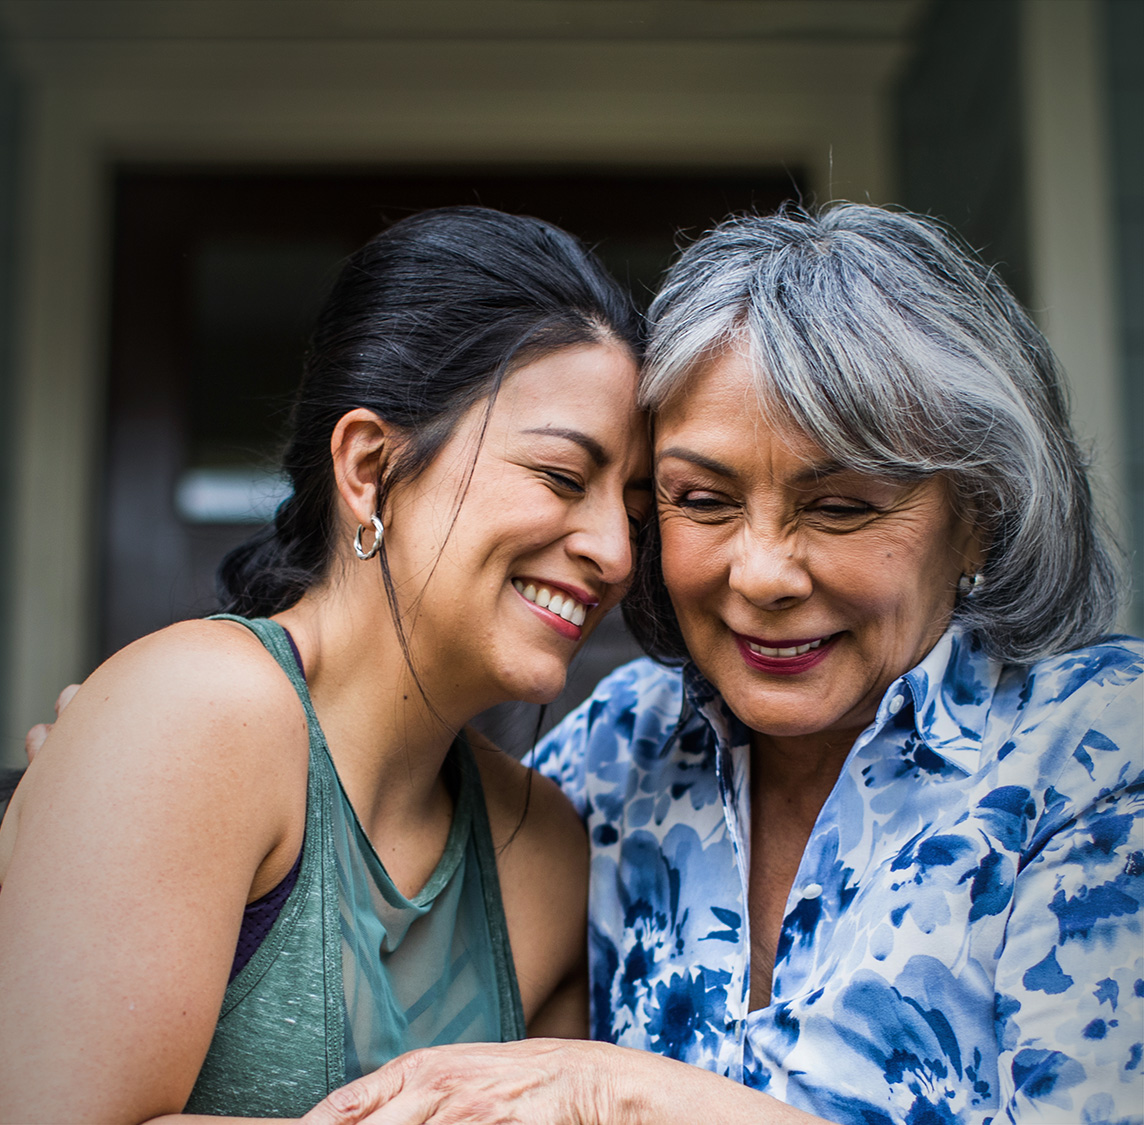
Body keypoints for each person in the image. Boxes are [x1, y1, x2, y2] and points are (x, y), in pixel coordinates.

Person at [298, 204, 1143, 1124]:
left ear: (977, 514)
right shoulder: (615, 751)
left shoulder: (1100, 755)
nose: (764, 573)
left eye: (842, 508)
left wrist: (616, 1091)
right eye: (703, 499)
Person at [0, 207, 655, 1123]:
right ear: (370, 467)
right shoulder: (199, 712)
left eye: (633, 505)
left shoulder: (539, 854)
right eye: (560, 476)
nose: (615, 551)